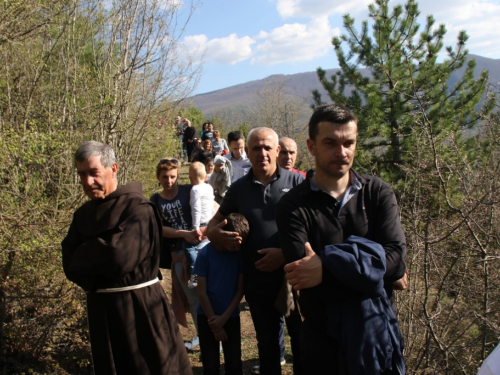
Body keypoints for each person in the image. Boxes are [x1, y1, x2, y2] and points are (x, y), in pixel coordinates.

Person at [275, 104, 407, 374]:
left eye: (349, 143)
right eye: (330, 143)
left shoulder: (377, 193)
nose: (342, 152)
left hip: (376, 337)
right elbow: (303, 276)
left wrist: (326, 265)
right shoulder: (292, 205)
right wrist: (373, 269)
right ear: (311, 147)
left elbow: (396, 260)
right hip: (323, 343)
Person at [61, 142, 192, 375]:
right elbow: (70, 265)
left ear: (113, 168)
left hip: (142, 310)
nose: (87, 181)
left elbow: (119, 258)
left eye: (93, 173)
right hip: (102, 311)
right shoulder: (82, 214)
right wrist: (104, 249)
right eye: (82, 174)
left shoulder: (138, 208)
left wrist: (88, 253)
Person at [207, 127, 304, 375]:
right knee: (268, 344)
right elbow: (213, 224)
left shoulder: (298, 183)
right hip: (257, 280)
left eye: (267, 147)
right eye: (256, 148)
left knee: (303, 343)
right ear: (247, 152)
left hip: (296, 279)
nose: (262, 153)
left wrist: (284, 253)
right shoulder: (238, 189)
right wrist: (214, 233)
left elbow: (316, 231)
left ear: (277, 150)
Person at [150, 158, 202, 350]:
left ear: (178, 175)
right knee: (193, 299)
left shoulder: (190, 191)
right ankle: (205, 338)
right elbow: (157, 228)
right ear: (158, 177)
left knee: (210, 294)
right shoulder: (155, 200)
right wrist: (183, 234)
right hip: (178, 255)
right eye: (165, 177)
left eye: (172, 176)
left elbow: (207, 210)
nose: (169, 181)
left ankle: (215, 336)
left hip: (202, 249)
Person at [195, 213, 248, 375]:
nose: (237, 248)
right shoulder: (204, 255)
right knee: (210, 366)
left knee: (234, 364)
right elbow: (201, 292)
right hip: (207, 317)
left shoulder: (238, 256)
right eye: (234, 244)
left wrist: (223, 319)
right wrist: (215, 324)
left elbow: (240, 290)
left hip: (230, 317)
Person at [186, 162, 215, 289]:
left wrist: (196, 227)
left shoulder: (195, 190)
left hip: (201, 223)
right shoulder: (208, 187)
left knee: (189, 248)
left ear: (190, 178)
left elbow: (196, 209)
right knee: (206, 249)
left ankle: (195, 274)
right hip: (210, 222)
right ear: (205, 176)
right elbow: (211, 204)